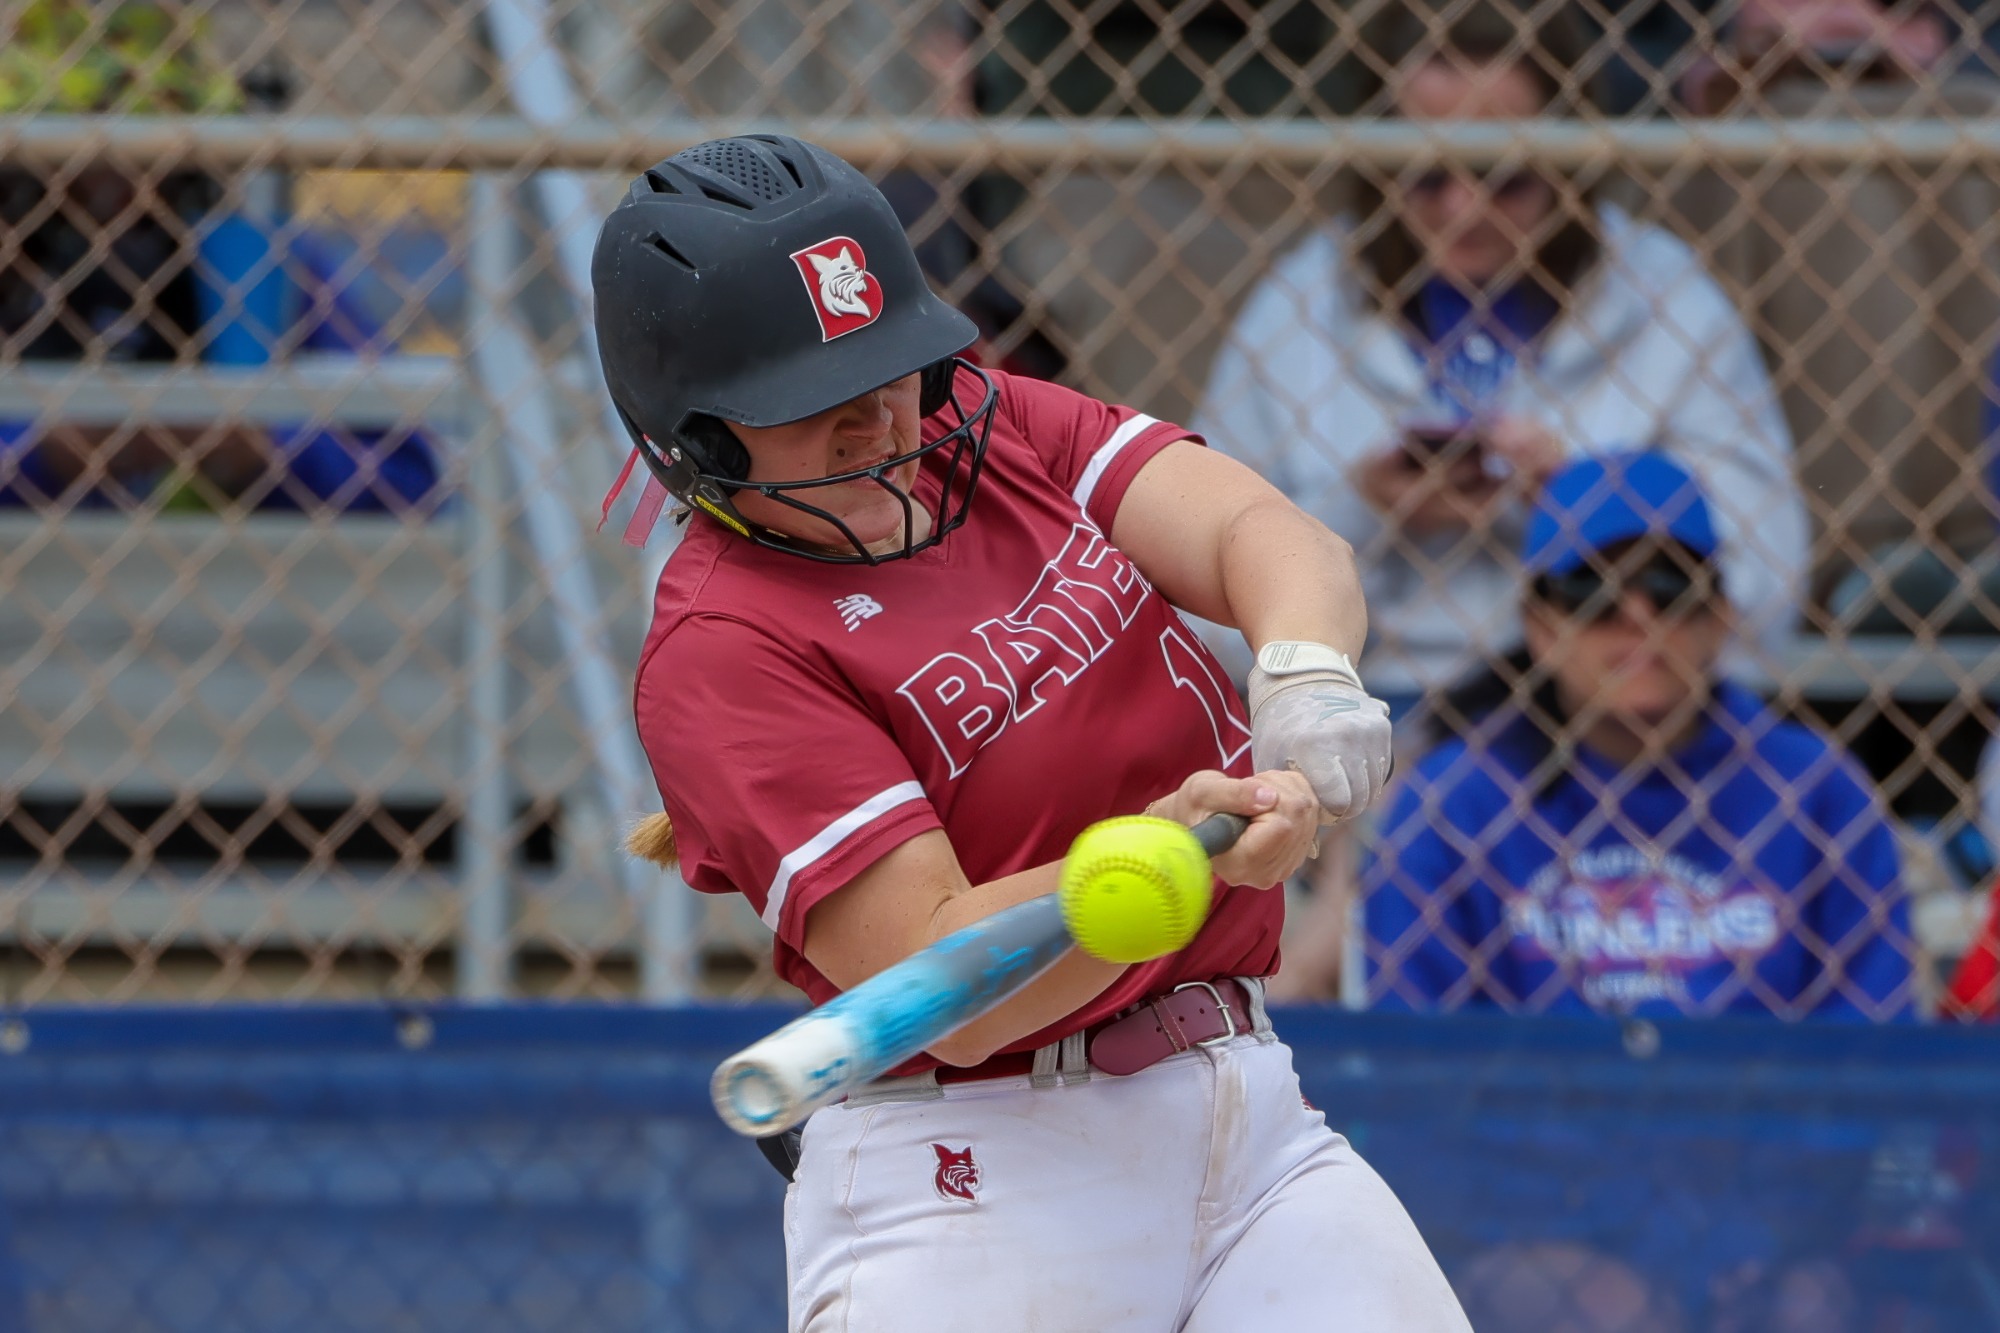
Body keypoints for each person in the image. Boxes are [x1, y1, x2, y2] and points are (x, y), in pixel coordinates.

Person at [592, 134, 1469, 1331]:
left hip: (1245, 1113)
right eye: (813, 405)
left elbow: (1260, 536)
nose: (876, 423)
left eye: (888, 370)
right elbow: (955, 980)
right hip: (978, 1174)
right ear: (693, 440)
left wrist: (1302, 679)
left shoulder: (986, 424)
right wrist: (1147, 862)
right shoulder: (721, 647)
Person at [1192, 0, 1808, 716]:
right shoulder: (1302, 300)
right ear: (1377, 164)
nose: (1465, 209)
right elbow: (1208, 624)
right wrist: (1360, 511)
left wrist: (1582, 502)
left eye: (1506, 178)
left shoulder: (1665, 295)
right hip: (1358, 714)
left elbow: (1768, 596)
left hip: (1609, 726)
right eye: (1426, 177)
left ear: (1569, 164)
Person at [1365, 451, 1914, 1019]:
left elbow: (1873, 1051)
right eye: (1591, 589)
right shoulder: (1457, 803)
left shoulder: (1815, 791)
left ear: (1721, 614)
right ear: (1541, 626)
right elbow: (1419, 1060)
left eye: (1669, 584)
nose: (1636, 615)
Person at [0, 0, 442, 514]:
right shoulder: (15, 265)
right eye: (78, 142)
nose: (115, 176)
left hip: (238, 584)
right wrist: (47, 457)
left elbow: (414, 483)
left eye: (145, 140)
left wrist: (263, 452)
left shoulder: (260, 262)